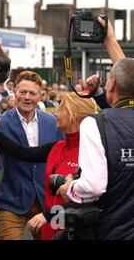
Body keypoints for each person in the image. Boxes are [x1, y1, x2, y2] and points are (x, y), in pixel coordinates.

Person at [0, 92, 98, 239]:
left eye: (61, 108)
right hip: (51, 228)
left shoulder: (93, 152)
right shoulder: (57, 147)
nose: (56, 112)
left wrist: (49, 215)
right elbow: (22, 152)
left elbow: (89, 203)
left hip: (75, 231)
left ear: (74, 115)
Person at [0, 70, 63, 240]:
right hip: (12, 200)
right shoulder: (1, 122)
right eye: (23, 92)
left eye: (32, 93)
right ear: (14, 92)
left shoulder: (53, 122)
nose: (27, 97)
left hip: (47, 201)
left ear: (40, 96)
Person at [56, 58, 134, 240]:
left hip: (109, 230)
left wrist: (70, 187)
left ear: (112, 83)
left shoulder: (95, 123)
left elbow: (93, 187)